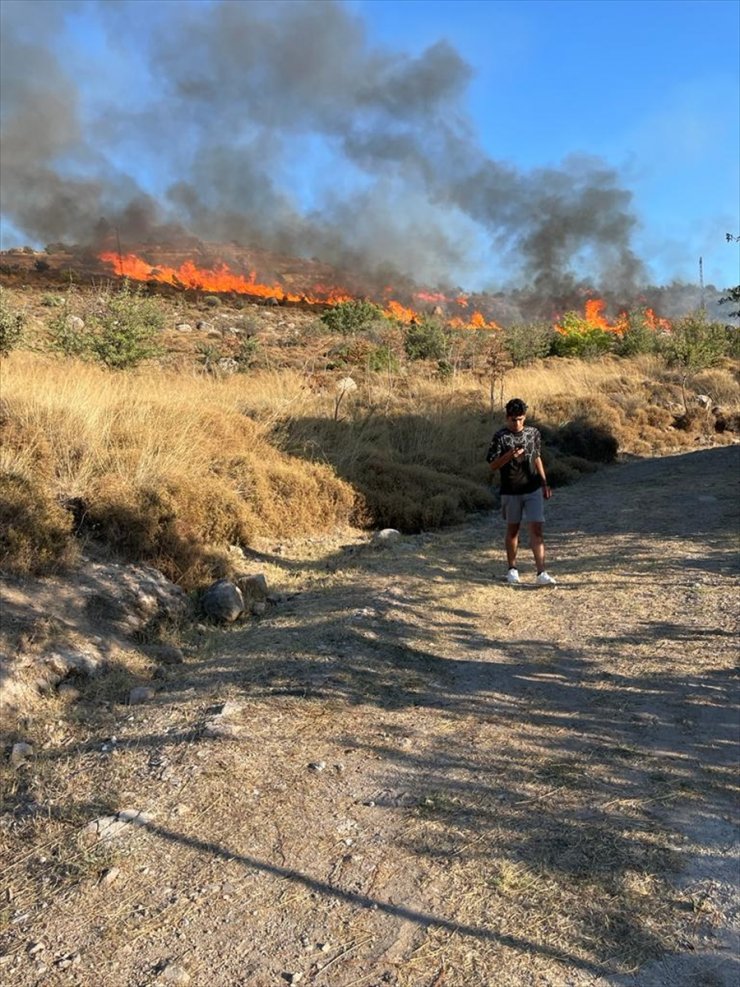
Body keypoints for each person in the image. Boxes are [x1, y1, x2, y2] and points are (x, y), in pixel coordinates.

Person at [486, 398, 556, 586]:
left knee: (536, 529)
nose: (517, 423)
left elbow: (537, 458)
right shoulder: (500, 437)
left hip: (532, 488)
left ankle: (541, 572)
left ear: (524, 417)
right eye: (513, 419)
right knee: (513, 530)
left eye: (520, 419)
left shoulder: (533, 433)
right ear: (507, 418)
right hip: (510, 490)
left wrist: (544, 482)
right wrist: (509, 455)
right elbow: (492, 464)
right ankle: (512, 569)